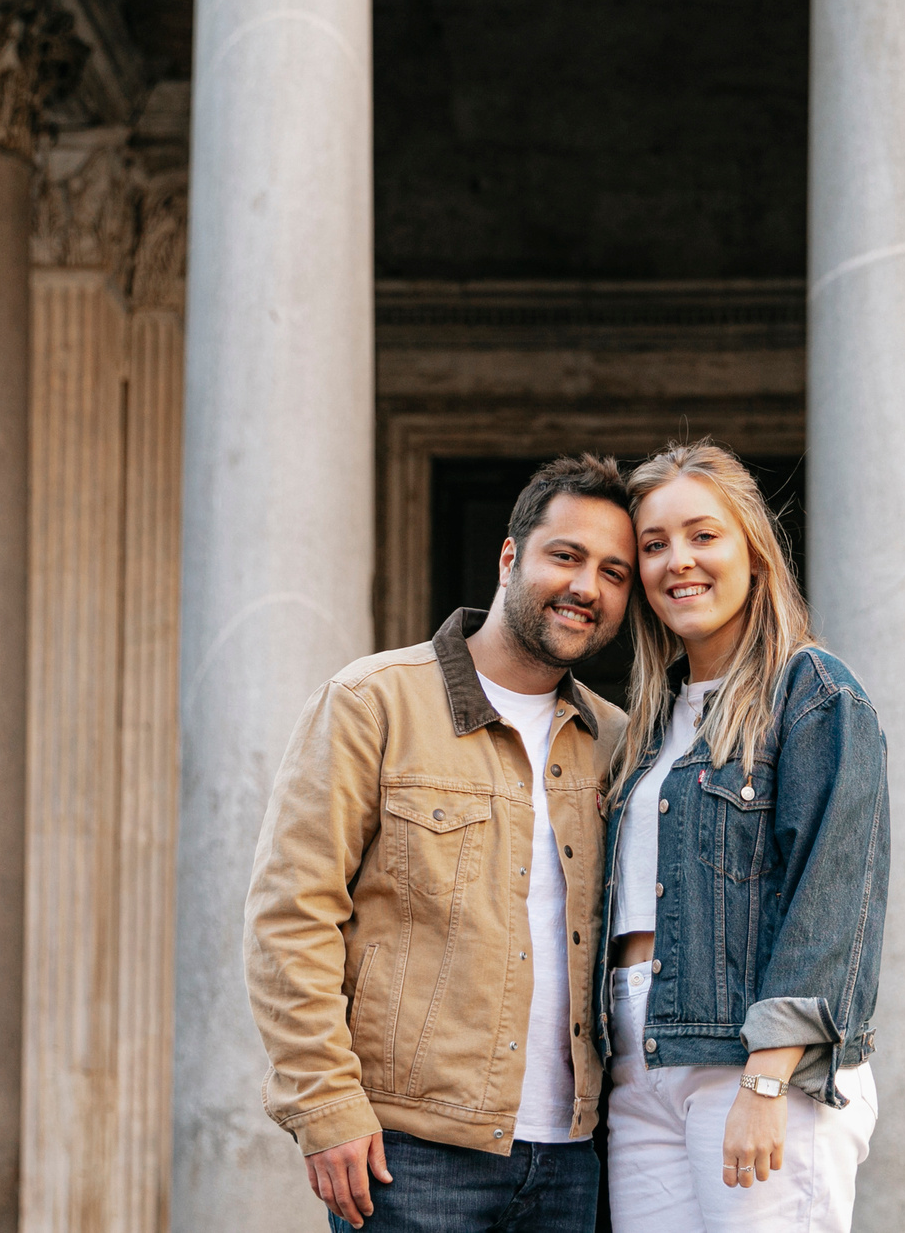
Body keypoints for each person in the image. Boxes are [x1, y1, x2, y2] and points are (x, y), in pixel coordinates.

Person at [244, 453, 636, 1231]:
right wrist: (325, 1102)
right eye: (567, 555)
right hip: (412, 1153)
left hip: (572, 1158)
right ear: (509, 555)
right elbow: (291, 915)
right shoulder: (373, 703)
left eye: (614, 571)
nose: (587, 586)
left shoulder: (617, 738)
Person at [594, 440, 890, 1233]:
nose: (676, 561)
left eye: (702, 535)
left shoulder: (815, 693)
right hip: (642, 1062)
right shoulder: (648, 728)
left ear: (753, 552)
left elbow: (833, 897)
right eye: (653, 545)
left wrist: (767, 1082)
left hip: (755, 1065)